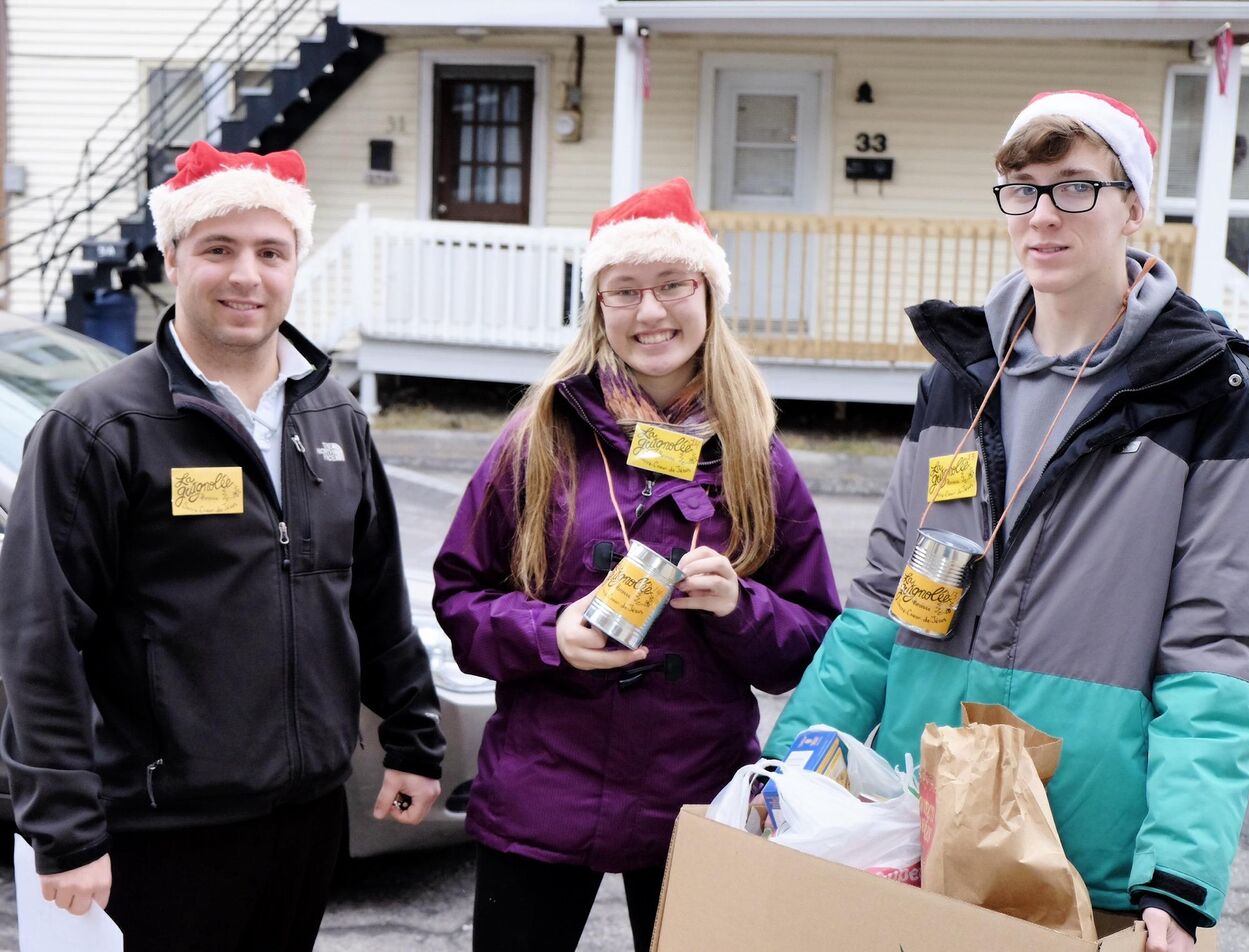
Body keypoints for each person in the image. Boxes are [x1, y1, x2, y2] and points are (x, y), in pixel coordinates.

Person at [767, 90, 1249, 952]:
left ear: (1133, 204)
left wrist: (1178, 883)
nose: (1042, 215)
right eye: (1022, 187)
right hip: (914, 823)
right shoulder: (959, 378)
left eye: (1075, 187)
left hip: (1081, 851)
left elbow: (1216, 653)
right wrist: (782, 775)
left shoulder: (1210, 393)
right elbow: (884, 598)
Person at [0, 141, 446, 951]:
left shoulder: (333, 417)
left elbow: (376, 599)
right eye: (219, 249)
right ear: (173, 258)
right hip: (157, 830)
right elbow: (40, 644)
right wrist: (64, 831)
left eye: (270, 252)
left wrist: (415, 742)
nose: (248, 276)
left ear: (294, 263)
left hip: (305, 818)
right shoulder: (98, 429)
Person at [433, 176, 840, 952]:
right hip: (541, 794)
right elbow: (460, 601)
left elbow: (811, 640)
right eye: (624, 291)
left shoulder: (758, 457)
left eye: (671, 285)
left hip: (695, 797)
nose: (650, 313)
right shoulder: (535, 440)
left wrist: (738, 607)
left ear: (707, 293)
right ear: (599, 306)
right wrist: (550, 632)